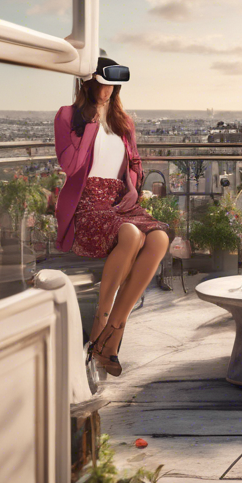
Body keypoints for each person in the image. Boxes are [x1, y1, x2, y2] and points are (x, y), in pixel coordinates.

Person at [54, 56, 170, 377]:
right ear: (88, 82)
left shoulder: (124, 122)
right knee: (132, 235)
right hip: (88, 203)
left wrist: (132, 187)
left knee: (159, 238)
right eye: (103, 82)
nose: (108, 89)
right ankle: (101, 327)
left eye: (113, 83)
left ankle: (112, 333)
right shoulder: (68, 117)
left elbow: (134, 164)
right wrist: (90, 122)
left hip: (120, 201)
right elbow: (71, 166)